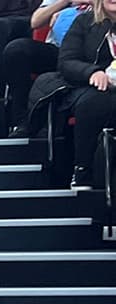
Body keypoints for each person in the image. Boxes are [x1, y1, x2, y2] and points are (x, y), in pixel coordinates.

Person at [0, 0, 88, 136]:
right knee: (16, 50)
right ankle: (23, 119)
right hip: (58, 50)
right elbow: (35, 22)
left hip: (90, 52)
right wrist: (64, 4)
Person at [56, 0, 116, 189]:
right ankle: (83, 170)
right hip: (91, 86)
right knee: (95, 103)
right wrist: (92, 72)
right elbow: (66, 61)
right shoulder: (84, 22)